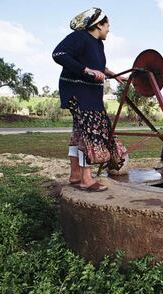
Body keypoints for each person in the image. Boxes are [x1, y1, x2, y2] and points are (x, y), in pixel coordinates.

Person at [52, 7, 125, 191]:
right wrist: (85, 71)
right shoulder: (79, 37)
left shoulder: (98, 43)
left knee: (78, 133)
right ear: (98, 25)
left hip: (91, 94)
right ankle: (86, 179)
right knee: (89, 133)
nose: (109, 29)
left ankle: (75, 174)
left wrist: (113, 74)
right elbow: (58, 54)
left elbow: (97, 66)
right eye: (107, 25)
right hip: (78, 92)